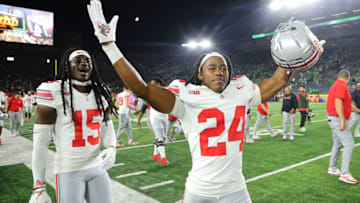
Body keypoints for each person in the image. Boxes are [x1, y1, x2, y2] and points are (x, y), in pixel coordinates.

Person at [86, 1, 323, 201]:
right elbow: (141, 89)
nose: (219, 71)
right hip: (200, 191)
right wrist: (109, 46)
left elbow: (280, 79)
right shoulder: (186, 96)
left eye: (223, 68)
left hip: (236, 190)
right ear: (200, 74)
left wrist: (300, 55)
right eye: (212, 68)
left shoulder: (240, 90)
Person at [29, 48, 118, 203]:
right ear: (67, 66)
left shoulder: (101, 91)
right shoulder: (53, 90)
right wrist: (39, 186)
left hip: (97, 167)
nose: (84, 63)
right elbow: (41, 143)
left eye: (87, 60)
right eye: (78, 60)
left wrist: (111, 147)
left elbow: (107, 124)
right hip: (69, 170)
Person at [326, 69, 359, 184]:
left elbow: (346, 103)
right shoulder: (341, 86)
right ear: (348, 77)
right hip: (336, 118)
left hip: (333, 117)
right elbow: (338, 102)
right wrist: (342, 120)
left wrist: (358, 110)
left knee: (337, 143)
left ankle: (333, 167)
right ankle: (345, 173)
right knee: (349, 144)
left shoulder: (336, 85)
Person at [149, 78, 170, 166]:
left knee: (159, 137)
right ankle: (164, 159)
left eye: (153, 83)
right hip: (155, 117)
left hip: (164, 117)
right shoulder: (150, 92)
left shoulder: (165, 91)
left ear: (158, 83)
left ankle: (155, 155)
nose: (151, 85)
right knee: (161, 138)